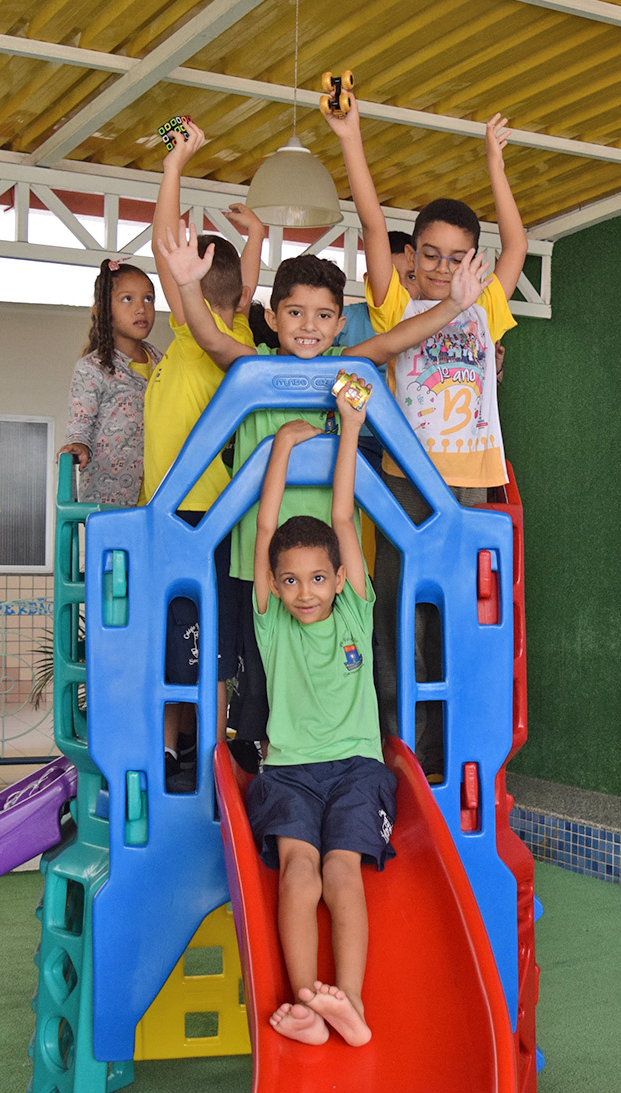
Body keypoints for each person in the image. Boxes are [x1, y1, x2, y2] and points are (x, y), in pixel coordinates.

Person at [155, 229, 490, 770]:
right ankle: (270, 762)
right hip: (262, 564)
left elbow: (394, 341)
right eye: (295, 313)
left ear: (338, 324)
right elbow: (212, 340)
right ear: (272, 317)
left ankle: (335, 759)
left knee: (334, 668)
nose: (308, 326)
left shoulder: (344, 371)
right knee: (263, 677)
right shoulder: (255, 367)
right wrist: (190, 289)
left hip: (329, 567)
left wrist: (454, 304)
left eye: (323, 315)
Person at [324, 93, 526, 772]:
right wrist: (350, 136)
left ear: (474, 260)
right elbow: (371, 222)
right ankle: (399, 744)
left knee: (452, 615)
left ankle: (447, 747)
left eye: (456, 257)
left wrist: (494, 162)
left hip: (468, 486)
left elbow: (517, 244)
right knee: (398, 613)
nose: (442, 268)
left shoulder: (484, 305)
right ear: (414, 257)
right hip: (406, 483)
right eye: (431, 255)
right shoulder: (397, 305)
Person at [244, 383, 388, 1047]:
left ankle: (349, 1002)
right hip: (290, 773)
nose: (306, 592)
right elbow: (265, 527)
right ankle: (307, 1004)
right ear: (275, 586)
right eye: (291, 580)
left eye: (319, 578)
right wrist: (280, 446)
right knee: (299, 872)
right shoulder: (272, 623)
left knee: (341, 871)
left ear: (340, 579)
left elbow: (342, 515)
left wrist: (349, 429)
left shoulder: (355, 610)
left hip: (357, 768)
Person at [142, 118, 265, 790]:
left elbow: (166, 246)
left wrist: (174, 167)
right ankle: (180, 749)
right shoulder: (231, 326)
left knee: (199, 639)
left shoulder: (202, 334)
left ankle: (204, 753)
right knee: (185, 637)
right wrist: (256, 240)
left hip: (197, 513)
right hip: (184, 511)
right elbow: (240, 288)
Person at [56, 258, 161, 506]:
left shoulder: (161, 362)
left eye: (148, 299)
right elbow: (81, 424)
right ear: (102, 311)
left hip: (158, 496)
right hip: (110, 498)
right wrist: (78, 444)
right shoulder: (92, 368)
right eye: (127, 299)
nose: (141, 308)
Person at [335, 230, 416, 348]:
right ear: (368, 281)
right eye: (392, 278)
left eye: (412, 277)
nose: (403, 285)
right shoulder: (342, 318)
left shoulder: (428, 322)